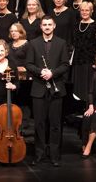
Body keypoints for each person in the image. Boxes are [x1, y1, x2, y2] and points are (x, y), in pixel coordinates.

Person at [25, 15, 70, 167]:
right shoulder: (33, 43)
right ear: (41, 27)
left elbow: (65, 65)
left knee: (56, 124)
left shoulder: (61, 43)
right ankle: (39, 154)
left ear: (54, 26)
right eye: (44, 25)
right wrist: (40, 72)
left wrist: (52, 73)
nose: (47, 27)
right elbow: (28, 64)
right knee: (39, 123)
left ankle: (54, 155)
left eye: (49, 24)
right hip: (38, 88)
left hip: (56, 89)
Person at [71, 2, 96, 103]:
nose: (84, 12)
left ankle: (87, 106)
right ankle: (77, 106)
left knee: (88, 84)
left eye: (87, 10)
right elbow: (74, 43)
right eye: (82, 10)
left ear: (91, 11)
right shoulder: (77, 24)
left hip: (89, 61)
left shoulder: (95, 25)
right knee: (77, 84)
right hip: (77, 60)